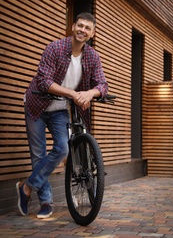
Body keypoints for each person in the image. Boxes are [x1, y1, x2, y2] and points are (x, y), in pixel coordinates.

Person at [16, 12, 108, 219]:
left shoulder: (92, 56)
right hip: (36, 105)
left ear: (92, 34)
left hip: (59, 109)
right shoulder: (55, 48)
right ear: (73, 26)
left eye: (87, 28)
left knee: (63, 148)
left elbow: (102, 84)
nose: (82, 30)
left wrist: (90, 93)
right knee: (38, 154)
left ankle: (26, 187)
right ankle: (46, 202)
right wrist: (73, 94)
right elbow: (44, 82)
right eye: (80, 25)